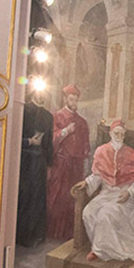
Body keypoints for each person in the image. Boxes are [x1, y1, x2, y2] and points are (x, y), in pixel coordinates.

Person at [75, 120, 134, 262]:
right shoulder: (101, 151)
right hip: (105, 194)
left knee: (105, 214)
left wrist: (129, 192)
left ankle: (99, 251)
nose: (119, 136)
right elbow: (97, 176)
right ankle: (99, 247)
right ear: (110, 134)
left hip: (122, 195)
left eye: (122, 134)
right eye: (116, 133)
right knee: (88, 212)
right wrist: (87, 182)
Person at [48, 84, 90, 240]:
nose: (74, 102)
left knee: (74, 198)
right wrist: (65, 131)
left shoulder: (82, 122)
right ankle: (54, 233)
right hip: (61, 163)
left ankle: (70, 233)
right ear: (66, 99)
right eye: (71, 99)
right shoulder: (56, 117)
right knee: (58, 196)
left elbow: (86, 145)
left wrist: (85, 164)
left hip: (76, 166)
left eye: (76, 99)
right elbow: (51, 139)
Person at [16, 89, 54, 248]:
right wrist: (29, 142)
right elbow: (14, 136)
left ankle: (36, 235)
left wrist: (50, 164)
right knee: (25, 196)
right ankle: (22, 236)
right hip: (24, 160)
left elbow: (49, 142)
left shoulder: (48, 116)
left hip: (40, 162)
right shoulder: (23, 110)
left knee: (38, 198)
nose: (41, 94)